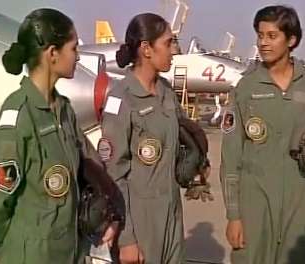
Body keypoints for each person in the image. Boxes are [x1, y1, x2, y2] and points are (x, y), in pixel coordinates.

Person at [0, 8, 121, 264]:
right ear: (52, 54)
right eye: (74, 49)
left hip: (68, 253)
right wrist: (25, 240)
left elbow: (84, 171)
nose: (78, 58)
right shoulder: (18, 116)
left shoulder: (64, 110)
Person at [221, 5, 305, 264]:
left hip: (300, 201)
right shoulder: (245, 88)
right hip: (254, 201)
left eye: (271, 36)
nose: (263, 43)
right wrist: (233, 216)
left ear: (292, 40)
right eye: (260, 35)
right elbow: (230, 158)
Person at [99, 13, 210, 264]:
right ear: (146, 49)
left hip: (171, 211)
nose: (174, 50)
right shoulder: (121, 98)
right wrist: (127, 239)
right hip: (139, 219)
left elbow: (184, 137)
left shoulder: (167, 93)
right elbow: (113, 173)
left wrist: (197, 167)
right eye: (169, 43)